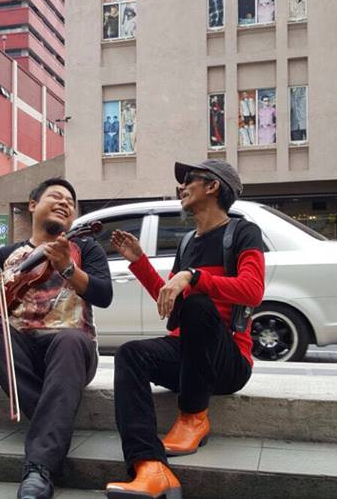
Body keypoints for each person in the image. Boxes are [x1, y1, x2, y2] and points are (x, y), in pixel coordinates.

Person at [105, 160, 265, 499]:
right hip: (188, 356)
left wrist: (194, 277)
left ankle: (193, 416)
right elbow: (170, 301)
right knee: (130, 354)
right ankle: (150, 467)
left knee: (198, 304)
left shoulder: (242, 232)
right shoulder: (188, 242)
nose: (181, 187)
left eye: (189, 179)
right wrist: (139, 262)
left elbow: (253, 290)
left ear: (213, 186)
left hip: (228, 361)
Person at [0, 178, 112, 499]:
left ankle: (39, 467)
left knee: (70, 339)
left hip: (70, 350)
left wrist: (68, 268)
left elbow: (104, 295)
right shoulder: (7, 253)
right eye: (56, 196)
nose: (65, 203)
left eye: (70, 202)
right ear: (32, 205)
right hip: (23, 351)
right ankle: (52, 418)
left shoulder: (85, 248)